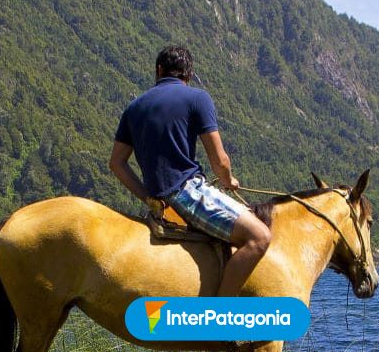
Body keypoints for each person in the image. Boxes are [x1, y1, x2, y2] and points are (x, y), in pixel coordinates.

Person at [109, 45, 270, 297]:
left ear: (158, 70)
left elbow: (116, 164)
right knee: (259, 236)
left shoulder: (134, 108)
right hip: (187, 192)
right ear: (189, 75)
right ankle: (219, 318)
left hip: (161, 198)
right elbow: (220, 160)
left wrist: (148, 197)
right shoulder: (198, 98)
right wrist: (228, 181)